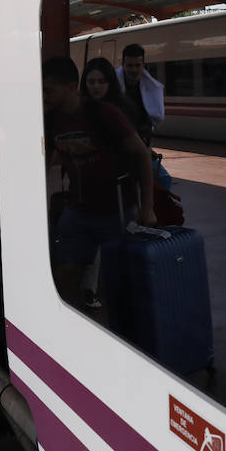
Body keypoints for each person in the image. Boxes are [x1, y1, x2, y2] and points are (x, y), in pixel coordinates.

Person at [43, 56, 155, 312]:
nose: (44, 95)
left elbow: (142, 156)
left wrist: (147, 207)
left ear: (71, 86)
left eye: (49, 89)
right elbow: (44, 163)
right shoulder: (51, 121)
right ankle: (69, 323)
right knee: (64, 273)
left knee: (120, 281)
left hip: (116, 210)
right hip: (77, 209)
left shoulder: (104, 113)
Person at [116, 43, 165, 146]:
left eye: (137, 65)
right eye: (130, 65)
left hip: (142, 141)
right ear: (123, 65)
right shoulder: (112, 86)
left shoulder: (152, 88)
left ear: (143, 65)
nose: (134, 70)